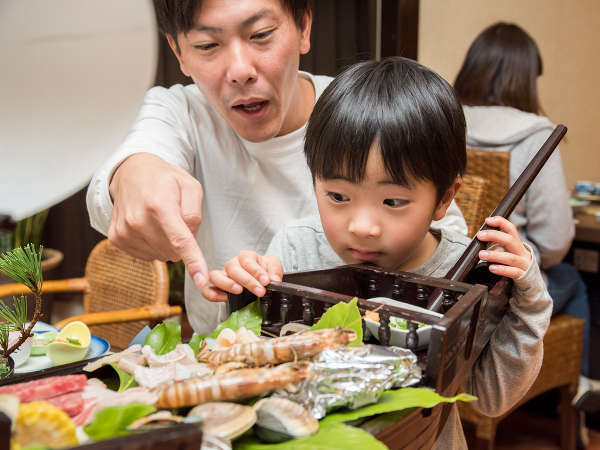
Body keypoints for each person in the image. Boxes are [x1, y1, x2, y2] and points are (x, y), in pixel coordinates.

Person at [205, 56, 552, 449]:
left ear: (444, 199)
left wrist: (528, 302)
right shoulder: (296, 249)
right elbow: (249, 373)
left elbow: (490, 398)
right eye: (338, 196)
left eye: (393, 201)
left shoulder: (467, 272)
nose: (362, 227)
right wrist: (247, 293)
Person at [86, 0, 467, 334]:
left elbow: (441, 246)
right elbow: (129, 166)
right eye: (207, 45)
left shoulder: (357, 115)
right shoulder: (180, 112)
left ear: (303, 27)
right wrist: (133, 174)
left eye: (261, 34)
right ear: (178, 52)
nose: (240, 70)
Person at [453, 22, 596, 414]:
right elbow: (552, 244)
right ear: (527, 78)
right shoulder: (537, 135)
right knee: (575, 281)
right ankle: (580, 390)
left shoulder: (444, 120)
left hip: (448, 277)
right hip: (506, 282)